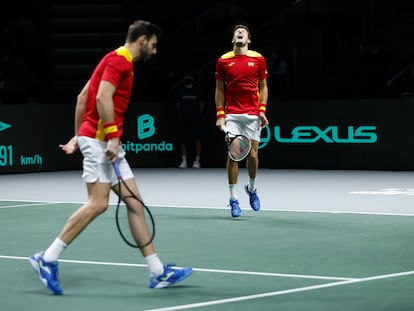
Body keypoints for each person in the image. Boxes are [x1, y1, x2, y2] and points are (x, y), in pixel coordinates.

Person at [28, 20, 193, 295]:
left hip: (101, 141)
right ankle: (46, 259)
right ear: (142, 39)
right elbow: (102, 98)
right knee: (97, 204)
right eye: (153, 45)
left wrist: (77, 136)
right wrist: (110, 138)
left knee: (134, 203)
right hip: (103, 143)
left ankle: (157, 272)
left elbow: (83, 98)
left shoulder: (111, 59)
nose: (154, 51)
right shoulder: (121, 63)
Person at [214, 24, 269, 218]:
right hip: (233, 115)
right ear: (233, 39)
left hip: (253, 113)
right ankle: (233, 199)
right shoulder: (223, 61)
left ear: (248, 39)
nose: (239, 32)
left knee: (253, 156)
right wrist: (220, 114)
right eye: (236, 31)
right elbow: (219, 90)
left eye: (243, 31)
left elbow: (264, 86)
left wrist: (262, 111)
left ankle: (252, 190)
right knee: (234, 155)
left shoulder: (258, 59)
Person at [175, 73, 204, 169]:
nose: (187, 78)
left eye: (189, 76)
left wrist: (197, 115)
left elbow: (201, 104)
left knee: (197, 139)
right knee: (182, 139)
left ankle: (197, 161)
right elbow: (178, 105)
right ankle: (184, 161)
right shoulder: (181, 91)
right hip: (183, 119)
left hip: (195, 119)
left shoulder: (197, 91)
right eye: (186, 76)